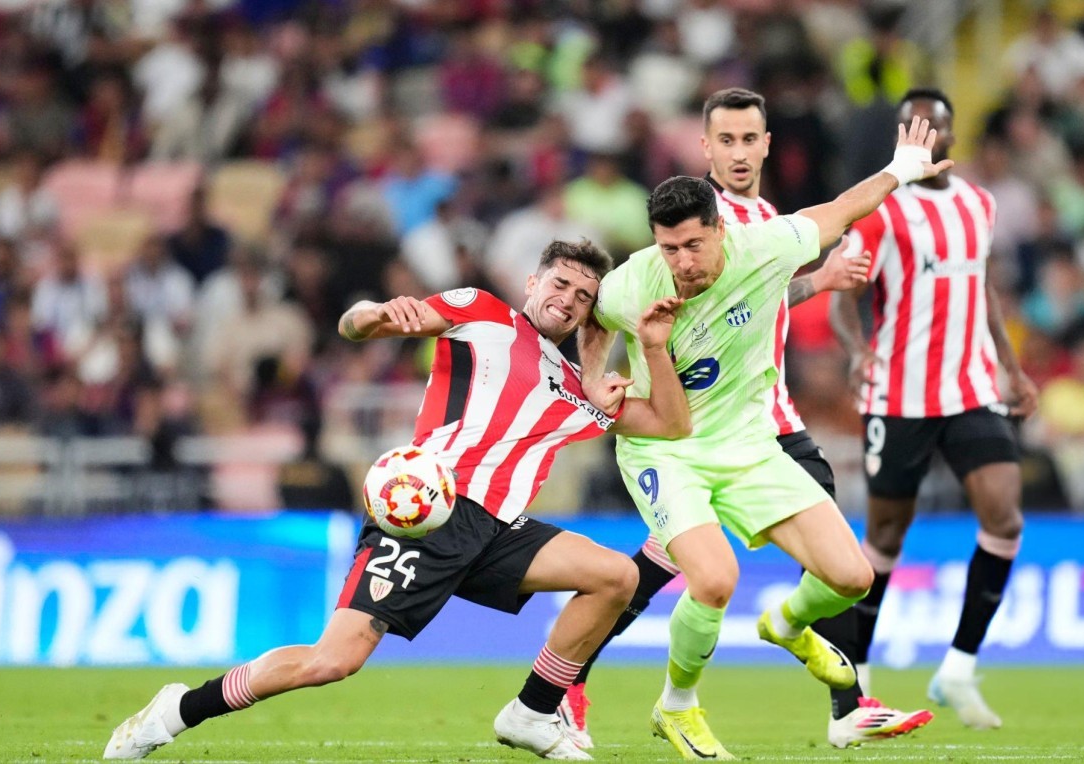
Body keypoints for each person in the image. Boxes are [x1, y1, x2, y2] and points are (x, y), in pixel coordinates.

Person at [103, 239, 693, 762]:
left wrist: (653, 347)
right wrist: (368, 316)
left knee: (615, 577)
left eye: (584, 296)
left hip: (496, 529)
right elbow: (360, 324)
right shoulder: (482, 311)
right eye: (560, 284)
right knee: (332, 661)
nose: (567, 300)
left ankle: (532, 712)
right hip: (422, 513)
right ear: (533, 282)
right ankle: (178, 710)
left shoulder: (578, 389)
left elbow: (671, 424)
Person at [558, 87, 931, 751]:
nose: (682, 262)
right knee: (700, 575)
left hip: (754, 430)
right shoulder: (653, 260)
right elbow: (592, 312)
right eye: (724, 140)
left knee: (849, 576)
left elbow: (837, 215)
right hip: (671, 444)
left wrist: (899, 171)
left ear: (766, 145)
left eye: (748, 139)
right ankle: (649, 696)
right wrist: (593, 381)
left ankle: (789, 632)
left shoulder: (765, 233)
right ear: (705, 148)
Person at [828, 89, 1039, 731]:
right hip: (900, 393)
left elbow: (983, 286)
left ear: (951, 134)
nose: (923, 135)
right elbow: (842, 292)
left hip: (971, 388)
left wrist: (1010, 367)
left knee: (1005, 518)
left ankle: (959, 668)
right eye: (910, 127)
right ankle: (858, 674)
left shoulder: (980, 203)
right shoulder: (883, 208)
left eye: (934, 126)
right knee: (885, 537)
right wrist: (857, 350)